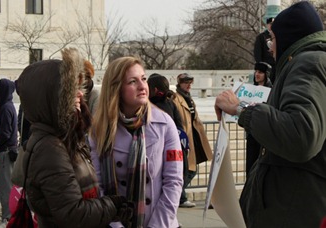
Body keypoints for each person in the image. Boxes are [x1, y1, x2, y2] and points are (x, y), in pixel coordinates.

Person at [214, 2, 326, 227]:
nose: (270, 47)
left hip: (295, 209)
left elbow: (301, 134)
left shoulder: (308, 63)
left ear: (290, 37)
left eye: (272, 39)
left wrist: (241, 110)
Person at [16, 48, 133, 227]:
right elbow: (72, 213)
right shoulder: (50, 148)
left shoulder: (67, 138)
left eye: (80, 88)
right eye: (70, 90)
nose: (80, 94)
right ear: (51, 97)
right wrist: (113, 206)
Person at [89, 56, 183, 228]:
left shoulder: (164, 123)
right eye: (133, 81)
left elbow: (174, 181)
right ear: (116, 88)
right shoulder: (99, 129)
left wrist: (157, 225)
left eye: (143, 79)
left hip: (161, 223)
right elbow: (98, 185)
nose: (142, 86)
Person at [172, 73, 212, 208]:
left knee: (190, 168)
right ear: (180, 83)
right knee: (188, 169)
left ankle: (179, 197)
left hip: (193, 136)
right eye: (186, 82)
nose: (189, 85)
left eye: (190, 82)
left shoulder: (188, 98)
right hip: (183, 137)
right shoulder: (176, 98)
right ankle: (179, 197)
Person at [0, 78, 18, 226]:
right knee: (5, 186)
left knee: (5, 187)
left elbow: (5, 133)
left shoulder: (6, 108)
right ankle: (7, 216)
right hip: (7, 151)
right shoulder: (8, 106)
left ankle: (7, 218)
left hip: (5, 152)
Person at [245, 62, 272, 177]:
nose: (257, 75)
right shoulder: (251, 89)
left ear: (266, 74)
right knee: (250, 165)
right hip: (251, 132)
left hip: (264, 134)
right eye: (256, 72)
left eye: (260, 72)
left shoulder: (271, 90)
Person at [254, 17, 276, 83]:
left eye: (274, 24)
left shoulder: (278, 36)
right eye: (270, 24)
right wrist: (261, 67)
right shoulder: (261, 37)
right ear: (267, 25)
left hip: (276, 66)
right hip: (266, 67)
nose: (272, 25)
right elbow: (257, 53)